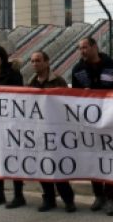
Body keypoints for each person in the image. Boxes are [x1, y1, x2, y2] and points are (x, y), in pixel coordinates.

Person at [71, 37, 113, 216]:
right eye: (80, 48)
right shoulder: (78, 69)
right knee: (93, 158)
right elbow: (73, 97)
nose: (82, 51)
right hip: (89, 123)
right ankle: (98, 196)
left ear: (95, 47)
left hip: (109, 121)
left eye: (85, 47)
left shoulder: (111, 65)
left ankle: (111, 199)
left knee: (109, 159)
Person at [28, 50, 77, 213]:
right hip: (39, 132)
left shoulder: (58, 81)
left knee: (58, 167)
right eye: (33, 61)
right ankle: (48, 198)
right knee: (43, 166)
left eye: (38, 60)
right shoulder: (31, 83)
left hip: (56, 132)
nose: (35, 64)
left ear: (47, 62)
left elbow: (66, 104)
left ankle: (68, 199)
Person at [0, 46, 26, 209]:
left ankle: (18, 195)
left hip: (12, 123)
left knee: (14, 158)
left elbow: (17, 96)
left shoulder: (13, 75)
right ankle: (0, 193)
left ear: (2, 57)